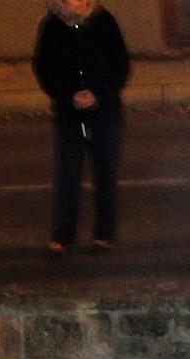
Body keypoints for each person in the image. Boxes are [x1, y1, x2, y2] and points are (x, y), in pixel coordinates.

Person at [32, 0, 130, 255]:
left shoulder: (104, 22)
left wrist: (99, 94)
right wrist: (68, 95)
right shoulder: (52, 27)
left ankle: (104, 234)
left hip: (105, 113)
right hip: (69, 115)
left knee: (105, 174)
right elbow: (44, 68)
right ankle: (62, 236)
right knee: (68, 175)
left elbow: (120, 66)